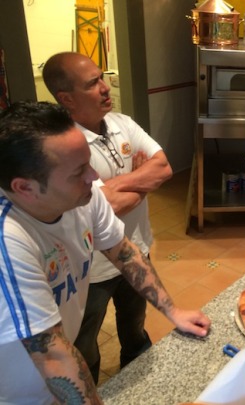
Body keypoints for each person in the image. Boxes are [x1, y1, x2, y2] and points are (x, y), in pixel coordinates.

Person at [0, 101, 211, 404]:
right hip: (20, 393)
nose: (93, 176)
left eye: (88, 163)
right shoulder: (8, 240)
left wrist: (173, 311)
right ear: (25, 188)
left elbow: (124, 253)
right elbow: (52, 354)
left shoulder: (85, 195)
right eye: (78, 171)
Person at [42, 52, 172, 383]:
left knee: (134, 326)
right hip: (92, 268)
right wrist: (142, 184)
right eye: (92, 83)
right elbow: (106, 206)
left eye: (102, 77)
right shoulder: (64, 143)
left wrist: (115, 188)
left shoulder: (122, 123)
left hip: (135, 249)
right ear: (66, 99)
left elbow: (163, 168)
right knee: (85, 344)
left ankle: (138, 380)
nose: (105, 87)